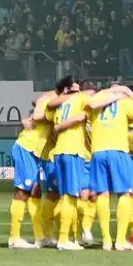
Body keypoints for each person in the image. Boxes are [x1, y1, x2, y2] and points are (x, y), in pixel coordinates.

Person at [84, 84, 133, 251]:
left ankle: (106, 241)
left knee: (102, 194)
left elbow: (88, 111)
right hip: (118, 150)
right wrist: (126, 92)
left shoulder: (95, 101)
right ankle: (120, 240)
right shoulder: (124, 102)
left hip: (98, 151)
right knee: (124, 193)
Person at [44, 78, 92, 250]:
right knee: (71, 196)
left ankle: (67, 237)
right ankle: (64, 240)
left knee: (65, 197)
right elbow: (94, 100)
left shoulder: (61, 106)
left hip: (60, 152)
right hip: (73, 151)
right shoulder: (80, 99)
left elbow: (54, 122)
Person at [7, 90, 55, 249]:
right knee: (22, 192)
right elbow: (40, 102)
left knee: (35, 191)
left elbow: (38, 102)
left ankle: (40, 237)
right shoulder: (50, 102)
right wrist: (28, 118)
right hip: (25, 148)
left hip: (34, 153)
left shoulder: (53, 104)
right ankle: (14, 238)